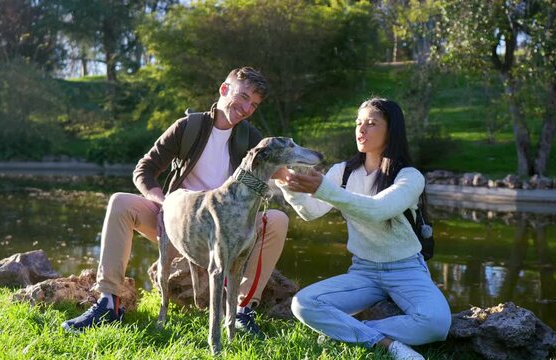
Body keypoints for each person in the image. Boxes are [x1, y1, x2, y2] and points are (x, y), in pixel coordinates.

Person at [62, 67, 289, 337]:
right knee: (120, 202)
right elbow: (143, 170)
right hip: (178, 224)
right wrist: (162, 203)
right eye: (243, 97)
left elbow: (271, 173)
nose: (246, 108)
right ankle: (109, 303)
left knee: (277, 219)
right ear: (224, 89)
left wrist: (294, 177)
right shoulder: (189, 127)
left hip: (222, 232)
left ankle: (242, 311)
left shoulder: (250, 138)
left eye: (254, 104)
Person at [276, 98, 451, 360]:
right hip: (364, 272)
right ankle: (385, 344)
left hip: (406, 269)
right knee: (303, 304)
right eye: (358, 123)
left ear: (391, 131)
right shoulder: (344, 172)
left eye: (371, 123)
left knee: (437, 324)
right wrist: (285, 181)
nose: (361, 130)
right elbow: (309, 211)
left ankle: (349, 331)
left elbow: (378, 209)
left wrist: (324, 190)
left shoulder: (410, 176)